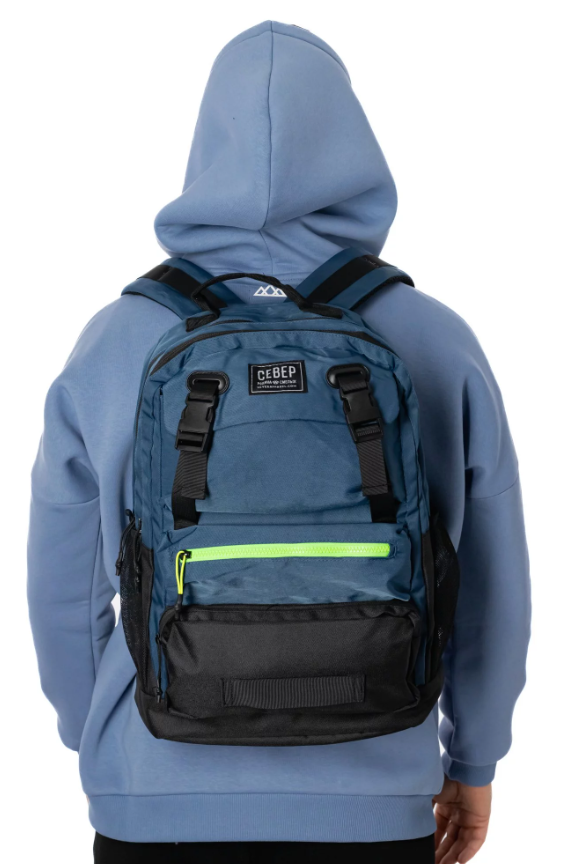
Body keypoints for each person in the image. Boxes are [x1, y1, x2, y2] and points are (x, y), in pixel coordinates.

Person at [28, 20, 530, 864]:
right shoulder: (436, 338)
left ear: (206, 150)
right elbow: (491, 586)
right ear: (355, 156)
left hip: (153, 797)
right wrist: (474, 759)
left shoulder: (115, 340)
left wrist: (108, 745)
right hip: (376, 801)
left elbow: (62, 588)